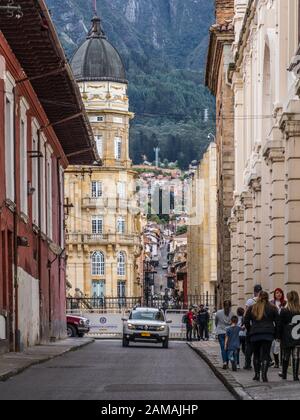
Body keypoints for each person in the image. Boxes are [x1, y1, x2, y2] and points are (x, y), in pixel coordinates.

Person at [245, 291, 280, 383]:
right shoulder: (273, 308)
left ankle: (257, 375)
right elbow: (278, 322)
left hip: (255, 333)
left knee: (256, 355)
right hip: (268, 334)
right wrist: (276, 333)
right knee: (265, 355)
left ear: (258, 297)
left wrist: (249, 330)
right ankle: (264, 376)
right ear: (267, 297)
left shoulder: (252, 307)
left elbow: (246, 320)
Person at [279, 291, 300, 381]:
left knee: (286, 355)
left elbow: (280, 324)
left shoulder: (284, 310)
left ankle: (284, 374)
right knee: (296, 355)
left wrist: (278, 336)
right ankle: (295, 376)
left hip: (287, 335)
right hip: (297, 335)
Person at [244, 284, 263, 370]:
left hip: (252, 327)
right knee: (260, 347)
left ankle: (248, 364)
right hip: (261, 327)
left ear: (254, 292)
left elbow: (246, 314)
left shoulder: (250, 301)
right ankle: (262, 362)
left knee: (249, 347)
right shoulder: (264, 301)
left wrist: (247, 327)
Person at [270, 288, 287, 368]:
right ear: (274, 294)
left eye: (280, 292)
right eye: (277, 293)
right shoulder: (272, 303)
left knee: (283, 344)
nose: (278, 294)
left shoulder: (285, 302)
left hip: (283, 326)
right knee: (275, 345)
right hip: (275, 326)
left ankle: (283, 362)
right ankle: (277, 362)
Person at [215, 300, 233, 370]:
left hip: (220, 332)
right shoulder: (232, 314)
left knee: (223, 348)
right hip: (228, 332)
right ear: (230, 305)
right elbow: (233, 324)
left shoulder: (218, 313)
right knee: (228, 348)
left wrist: (218, 328)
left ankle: (225, 362)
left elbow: (216, 322)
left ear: (223, 305)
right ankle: (227, 362)